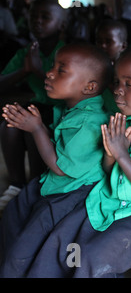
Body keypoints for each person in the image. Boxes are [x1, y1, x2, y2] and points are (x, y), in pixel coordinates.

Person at [19, 43, 131, 277]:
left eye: (129, 84)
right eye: (116, 82)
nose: (117, 90)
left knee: (91, 262)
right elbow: (109, 171)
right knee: (57, 243)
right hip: (104, 202)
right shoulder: (123, 120)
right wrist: (111, 155)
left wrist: (122, 155)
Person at [0, 42, 112, 277]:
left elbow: (60, 168)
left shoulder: (89, 122)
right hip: (57, 183)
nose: (49, 73)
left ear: (89, 87)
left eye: (61, 70)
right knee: (15, 212)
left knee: (29, 246)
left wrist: (37, 128)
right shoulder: (75, 108)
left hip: (72, 193)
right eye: (53, 66)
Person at [0, 0, 66, 208]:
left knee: (32, 129)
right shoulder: (27, 52)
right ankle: (16, 184)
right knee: (9, 123)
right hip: (39, 106)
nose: (37, 21)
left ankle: (36, 185)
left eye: (45, 17)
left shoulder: (67, 52)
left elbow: (68, 91)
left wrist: (38, 71)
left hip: (64, 110)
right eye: (33, 17)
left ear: (61, 24)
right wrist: (25, 70)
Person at [95, 19, 128, 114]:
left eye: (108, 42)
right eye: (99, 41)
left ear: (123, 46)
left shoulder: (128, 71)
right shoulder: (92, 68)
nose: (103, 46)